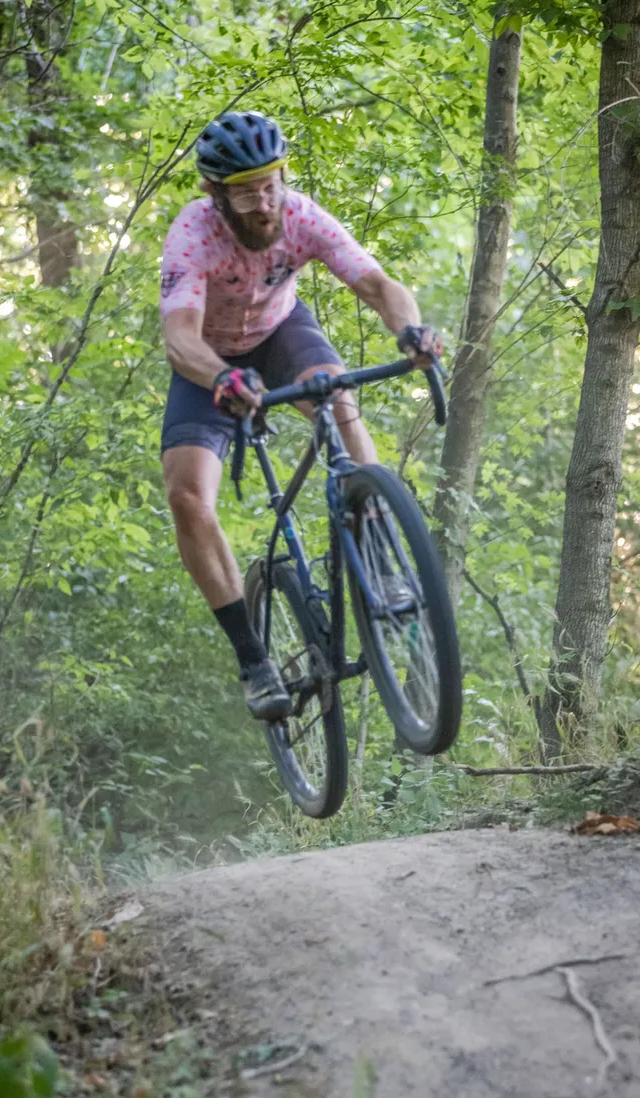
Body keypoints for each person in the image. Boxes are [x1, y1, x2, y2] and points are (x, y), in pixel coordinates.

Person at [159, 110, 442, 721]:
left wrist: (412, 331)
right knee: (187, 496)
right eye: (245, 192)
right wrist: (221, 377)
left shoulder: (301, 215)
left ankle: (374, 548)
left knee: (335, 393)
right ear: (216, 194)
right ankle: (253, 658)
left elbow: (379, 286)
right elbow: (179, 338)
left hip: (283, 331)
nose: (263, 204)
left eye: (270, 184)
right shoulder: (193, 235)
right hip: (211, 361)